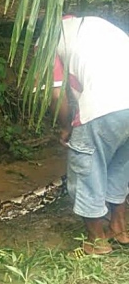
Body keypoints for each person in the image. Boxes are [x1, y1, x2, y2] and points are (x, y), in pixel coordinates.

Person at [49, 15, 129, 255]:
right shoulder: (97, 24)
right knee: (119, 165)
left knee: (86, 167)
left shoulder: (48, 40)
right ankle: (119, 228)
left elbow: (55, 94)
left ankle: (96, 242)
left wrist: (66, 126)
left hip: (102, 105)